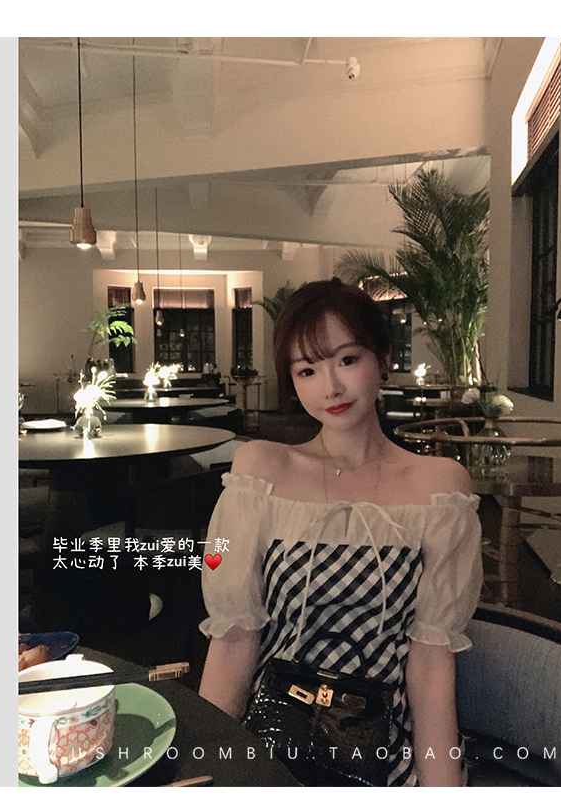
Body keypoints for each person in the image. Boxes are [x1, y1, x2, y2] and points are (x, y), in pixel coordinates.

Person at [198, 279, 482, 786]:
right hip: (270, 742)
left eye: (347, 360)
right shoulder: (259, 472)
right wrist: (204, 770)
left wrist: (442, 781)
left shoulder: (441, 489)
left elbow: (432, 661)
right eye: (307, 370)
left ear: (384, 358)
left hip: (380, 750)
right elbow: (234, 638)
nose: (330, 387)